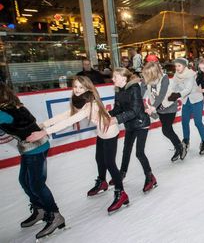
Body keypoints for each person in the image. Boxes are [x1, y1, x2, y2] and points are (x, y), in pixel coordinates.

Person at [27, 76, 130, 215]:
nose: (77, 90)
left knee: (110, 163)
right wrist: (44, 124)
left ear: (87, 88)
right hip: (101, 131)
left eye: (81, 87)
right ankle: (102, 182)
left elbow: (70, 120)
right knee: (99, 159)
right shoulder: (81, 99)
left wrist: (45, 132)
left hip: (109, 132)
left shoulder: (90, 103)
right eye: (75, 86)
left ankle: (121, 193)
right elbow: (66, 114)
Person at [0, 83, 65, 239]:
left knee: (36, 184)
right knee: (24, 180)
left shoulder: (4, 111)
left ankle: (55, 215)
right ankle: (40, 209)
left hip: (35, 148)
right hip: (31, 146)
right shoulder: (13, 105)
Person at [108, 68, 157, 193]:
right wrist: (108, 115)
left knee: (139, 153)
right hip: (130, 124)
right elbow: (118, 108)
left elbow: (135, 111)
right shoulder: (118, 90)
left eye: (115, 77)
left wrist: (117, 119)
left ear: (124, 78)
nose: (112, 79)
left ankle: (150, 177)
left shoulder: (134, 88)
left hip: (141, 123)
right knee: (126, 150)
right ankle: (122, 174)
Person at [142, 62, 186, 162]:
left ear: (153, 72)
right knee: (168, 130)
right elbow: (141, 92)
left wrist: (153, 107)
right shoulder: (147, 79)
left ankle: (180, 147)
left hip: (169, 106)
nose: (147, 76)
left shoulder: (164, 78)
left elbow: (162, 94)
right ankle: (178, 146)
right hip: (159, 108)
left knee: (166, 130)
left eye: (149, 73)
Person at [168, 58, 204, 155]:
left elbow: (188, 89)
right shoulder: (176, 76)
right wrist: (169, 94)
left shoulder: (190, 75)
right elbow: (173, 87)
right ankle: (186, 140)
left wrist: (177, 95)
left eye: (179, 65)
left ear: (184, 66)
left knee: (197, 122)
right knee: (184, 122)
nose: (177, 68)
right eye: (176, 66)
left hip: (196, 100)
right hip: (186, 101)